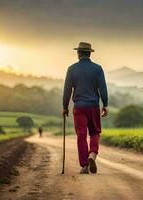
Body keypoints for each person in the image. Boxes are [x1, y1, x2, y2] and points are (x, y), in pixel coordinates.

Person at [62, 42, 108, 174]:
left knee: (81, 136)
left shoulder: (72, 69)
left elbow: (67, 90)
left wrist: (65, 107)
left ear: (78, 53)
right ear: (89, 53)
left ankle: (84, 166)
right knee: (95, 132)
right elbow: (103, 89)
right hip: (93, 106)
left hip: (79, 107)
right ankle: (92, 154)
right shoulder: (98, 69)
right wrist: (105, 104)